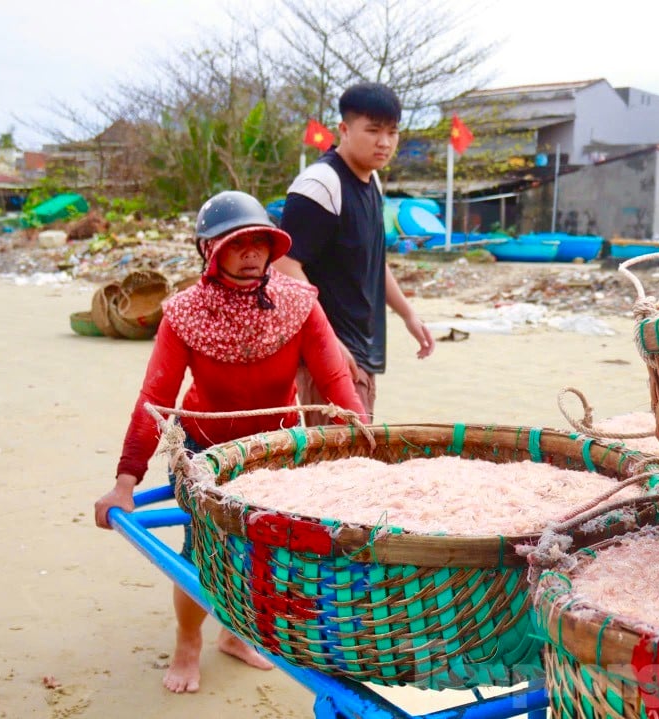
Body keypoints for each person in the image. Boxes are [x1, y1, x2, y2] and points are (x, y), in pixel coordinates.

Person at [93, 190, 365, 694]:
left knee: (267, 550)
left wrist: (367, 449)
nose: (250, 254)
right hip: (204, 450)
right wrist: (125, 482)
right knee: (202, 549)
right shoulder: (182, 315)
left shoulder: (299, 304)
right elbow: (155, 401)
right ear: (207, 250)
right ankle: (188, 642)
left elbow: (337, 384)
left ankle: (237, 635)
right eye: (236, 244)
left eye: (260, 242)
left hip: (276, 452)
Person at [274, 82, 435, 423]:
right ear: (344, 130)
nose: (385, 142)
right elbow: (285, 264)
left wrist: (408, 314)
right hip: (327, 354)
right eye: (373, 130)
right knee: (339, 462)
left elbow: (374, 262)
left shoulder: (371, 181)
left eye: (393, 132)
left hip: (361, 347)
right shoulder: (321, 184)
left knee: (355, 452)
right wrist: (328, 341)